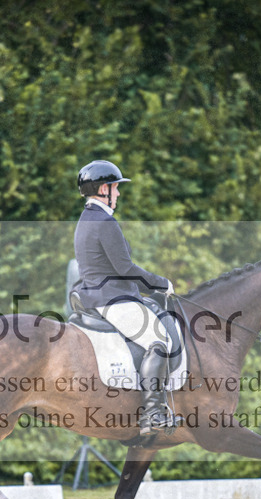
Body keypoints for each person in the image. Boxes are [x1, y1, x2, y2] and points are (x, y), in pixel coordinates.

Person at [72, 160, 180, 436]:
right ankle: (153, 413)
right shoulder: (105, 222)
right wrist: (160, 284)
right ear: (103, 188)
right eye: (116, 188)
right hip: (113, 300)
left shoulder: (86, 219)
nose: (118, 194)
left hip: (96, 296)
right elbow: (125, 269)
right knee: (161, 342)